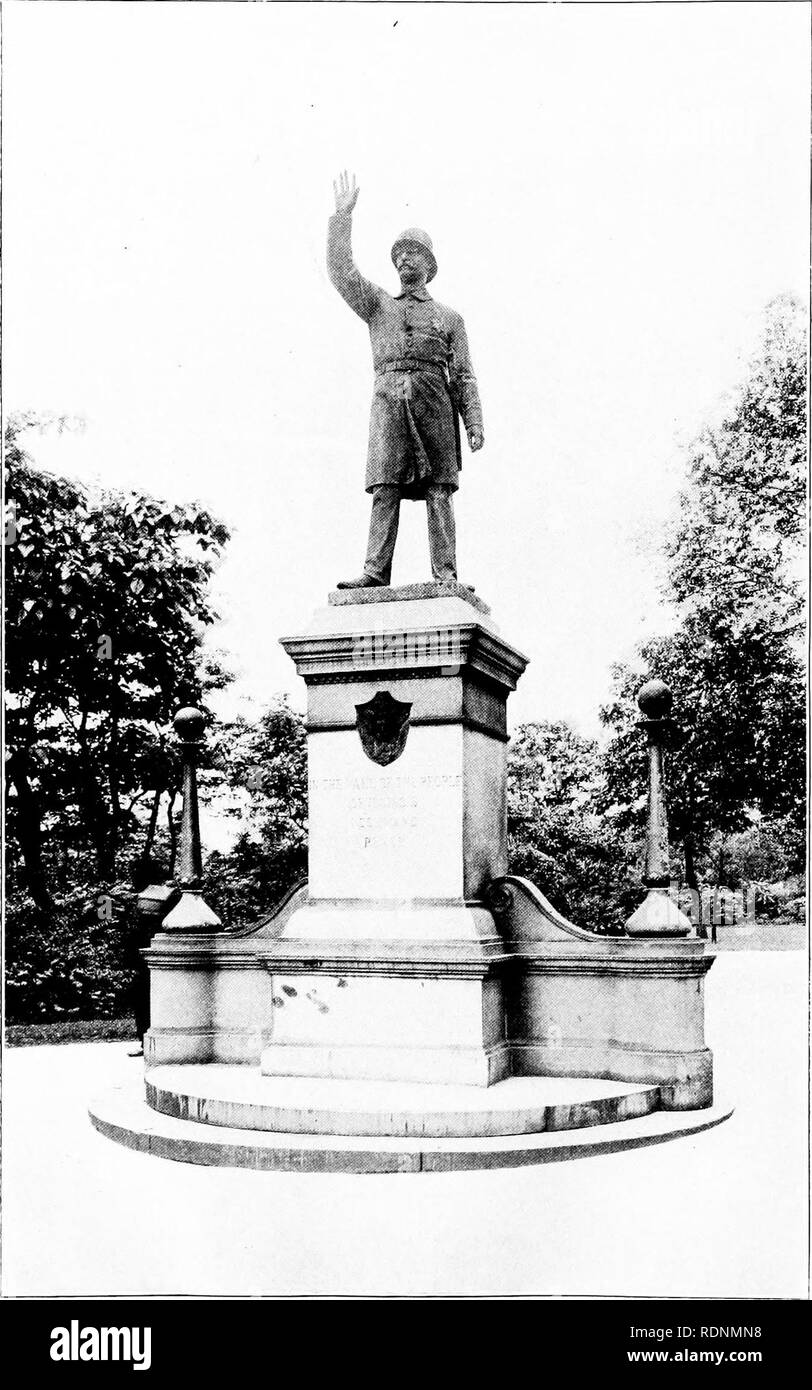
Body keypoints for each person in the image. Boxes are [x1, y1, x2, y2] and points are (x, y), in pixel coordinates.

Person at [327, 171, 484, 588]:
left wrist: (474, 422)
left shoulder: (450, 318)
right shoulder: (378, 305)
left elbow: (464, 376)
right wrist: (341, 218)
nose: (404, 259)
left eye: (414, 253)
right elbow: (342, 273)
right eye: (400, 253)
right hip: (389, 400)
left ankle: (446, 576)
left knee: (438, 490)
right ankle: (374, 573)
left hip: (435, 403)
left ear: (429, 266)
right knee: (385, 487)